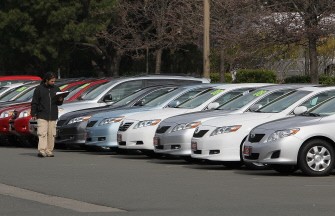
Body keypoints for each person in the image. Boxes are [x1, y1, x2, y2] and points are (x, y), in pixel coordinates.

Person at [31, 72, 64, 157]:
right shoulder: (39, 89)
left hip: (53, 115)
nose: (53, 83)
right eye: (52, 81)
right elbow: (34, 102)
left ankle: (49, 150)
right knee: (42, 133)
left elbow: (59, 103)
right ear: (46, 80)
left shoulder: (56, 89)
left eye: (54, 81)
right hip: (42, 114)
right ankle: (42, 150)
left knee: (51, 134)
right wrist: (33, 113)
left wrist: (60, 100)